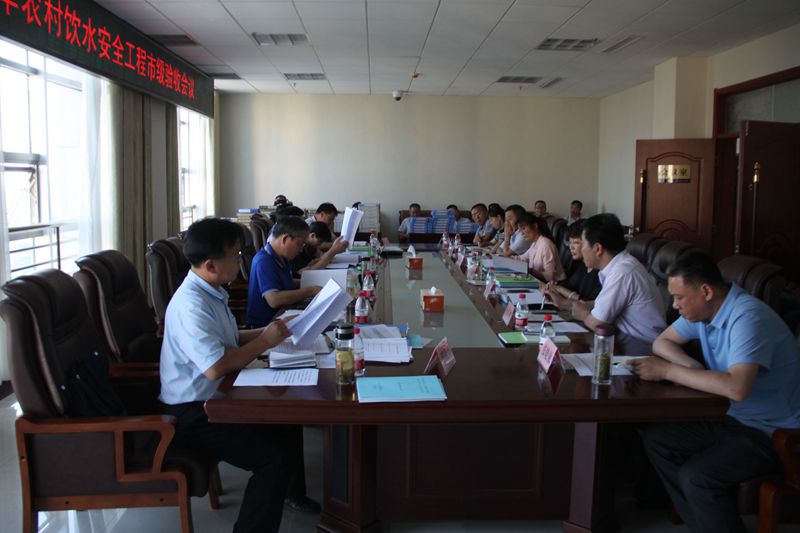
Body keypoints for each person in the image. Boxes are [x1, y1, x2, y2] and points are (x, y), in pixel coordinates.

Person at [629, 250, 800, 533]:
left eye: (680, 298)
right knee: (658, 440)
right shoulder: (705, 311)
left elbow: (737, 387)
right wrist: (691, 366)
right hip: (735, 418)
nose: (675, 305)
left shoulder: (747, 317)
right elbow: (663, 341)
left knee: (698, 476)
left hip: (774, 432)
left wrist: (669, 371)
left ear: (706, 291)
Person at [159, 217, 299, 532]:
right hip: (194, 412)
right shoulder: (192, 306)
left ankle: (292, 495)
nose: (241, 261)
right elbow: (215, 367)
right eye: (235, 256)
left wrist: (270, 331)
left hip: (219, 395)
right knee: (273, 457)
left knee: (288, 421)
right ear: (211, 265)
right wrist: (265, 342)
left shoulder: (211, 290)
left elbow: (229, 339)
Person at [571, 213, 666, 342]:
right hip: (625, 339)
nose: (581, 250)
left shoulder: (622, 272)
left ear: (598, 249)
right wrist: (590, 305)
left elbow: (597, 324)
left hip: (641, 346)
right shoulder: (618, 265)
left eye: (583, 244)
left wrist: (583, 314)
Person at [246, 216, 321, 327]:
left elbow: (286, 281)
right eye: (300, 244)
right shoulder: (264, 261)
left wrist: (316, 283)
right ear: (285, 239)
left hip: (282, 314)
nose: (301, 250)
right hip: (265, 325)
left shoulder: (282, 257)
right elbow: (274, 299)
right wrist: (311, 290)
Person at [543, 221, 601, 307]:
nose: (571, 247)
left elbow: (588, 302)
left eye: (576, 243)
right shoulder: (582, 264)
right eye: (570, 242)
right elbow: (570, 284)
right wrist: (554, 285)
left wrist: (561, 289)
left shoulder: (600, 271)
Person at [512, 213, 565, 283]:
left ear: (535, 226)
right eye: (520, 230)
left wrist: (530, 270)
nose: (522, 233)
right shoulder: (535, 243)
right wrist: (504, 258)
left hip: (555, 285)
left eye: (524, 228)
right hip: (539, 281)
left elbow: (550, 277)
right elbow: (521, 258)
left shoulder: (546, 245)